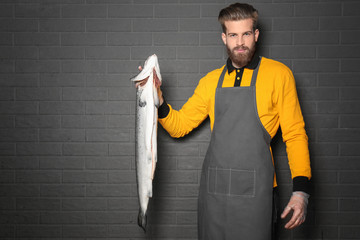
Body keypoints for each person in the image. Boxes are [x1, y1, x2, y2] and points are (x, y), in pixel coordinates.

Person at [137, 3, 311, 239]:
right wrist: (159, 101)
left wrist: (301, 191)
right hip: (214, 195)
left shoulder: (279, 75)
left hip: (257, 194)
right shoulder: (210, 81)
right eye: (233, 35)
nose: (240, 42)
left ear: (256, 35)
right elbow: (180, 126)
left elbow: (295, 134)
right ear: (224, 38)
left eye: (246, 34)